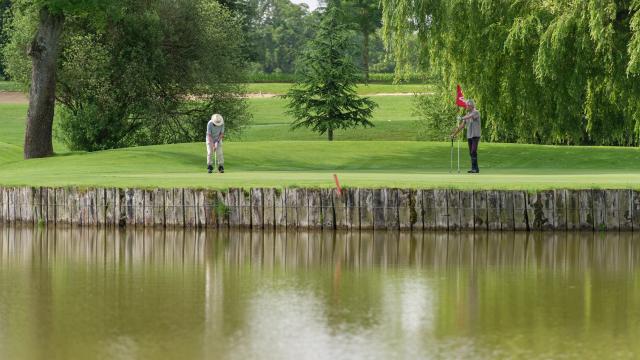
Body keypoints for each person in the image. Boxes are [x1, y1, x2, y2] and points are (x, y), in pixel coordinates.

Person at [451, 99, 481, 173]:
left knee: (473, 151)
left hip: (475, 135)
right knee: (471, 152)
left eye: (467, 105)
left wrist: (461, 117)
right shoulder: (467, 114)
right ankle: (475, 168)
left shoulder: (476, 112)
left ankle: (475, 168)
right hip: (469, 135)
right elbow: (461, 126)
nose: (466, 107)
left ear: (471, 106)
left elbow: (471, 116)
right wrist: (454, 134)